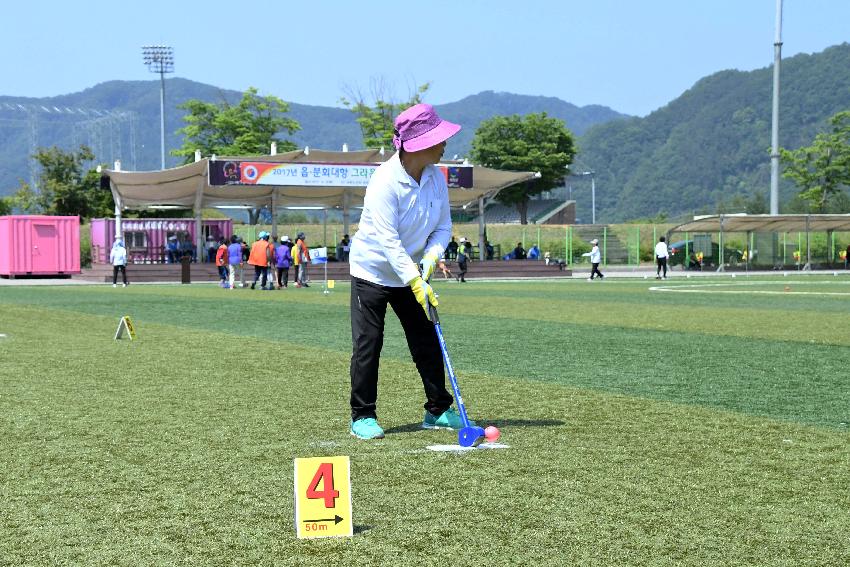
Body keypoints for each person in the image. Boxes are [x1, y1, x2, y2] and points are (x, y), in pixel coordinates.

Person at [348, 102, 471, 440]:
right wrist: (416, 281)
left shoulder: (435, 178)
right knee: (368, 343)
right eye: (439, 137)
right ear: (419, 143)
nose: (445, 143)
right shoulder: (384, 182)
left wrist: (430, 260)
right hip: (371, 272)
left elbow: (443, 228)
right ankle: (362, 415)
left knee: (426, 340)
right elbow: (388, 241)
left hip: (412, 272)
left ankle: (437, 410)